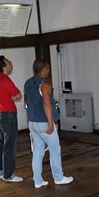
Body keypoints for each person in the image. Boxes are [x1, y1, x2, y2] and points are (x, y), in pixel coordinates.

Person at [24, 59, 73, 188]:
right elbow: (47, 104)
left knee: (38, 152)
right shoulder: (45, 84)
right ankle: (58, 177)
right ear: (44, 69)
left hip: (32, 122)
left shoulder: (27, 83)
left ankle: (38, 180)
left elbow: (28, 103)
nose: (49, 71)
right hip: (44, 122)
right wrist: (50, 123)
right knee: (55, 150)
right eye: (48, 69)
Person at [0, 55, 23, 183]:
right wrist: (14, 97)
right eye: (9, 62)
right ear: (4, 66)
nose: (11, 63)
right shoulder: (5, 79)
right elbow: (18, 94)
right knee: (10, 145)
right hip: (9, 115)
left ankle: (0, 171)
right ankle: (8, 175)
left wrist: (13, 97)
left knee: (1, 143)